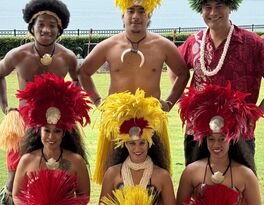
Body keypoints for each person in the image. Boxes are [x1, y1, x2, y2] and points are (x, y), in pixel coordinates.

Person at [168, 0, 264, 164]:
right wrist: (183, 101)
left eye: (219, 6)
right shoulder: (193, 41)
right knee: (197, 184)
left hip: (239, 134)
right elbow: (174, 68)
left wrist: (257, 112)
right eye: (207, 7)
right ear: (201, 9)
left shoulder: (252, 43)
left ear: (230, 7)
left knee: (239, 186)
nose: (212, 13)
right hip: (198, 133)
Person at [0, 0, 78, 202]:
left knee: (59, 166)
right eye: (41, 24)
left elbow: (78, 79)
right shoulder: (17, 55)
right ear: (31, 28)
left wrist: (72, 106)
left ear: (59, 30)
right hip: (25, 122)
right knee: (16, 173)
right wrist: (6, 106)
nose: (46, 30)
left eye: (52, 25)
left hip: (56, 122)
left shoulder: (67, 57)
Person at [78, 0, 190, 111]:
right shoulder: (108, 46)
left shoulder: (163, 46)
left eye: (142, 12)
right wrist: (97, 101)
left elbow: (183, 73)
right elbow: (83, 72)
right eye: (130, 11)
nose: (136, 16)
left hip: (151, 118)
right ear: (123, 15)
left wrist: (169, 103)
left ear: (149, 16)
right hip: (116, 117)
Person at [176, 83, 263, 205]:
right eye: (211, 139)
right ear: (204, 140)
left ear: (231, 139)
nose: (216, 145)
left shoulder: (246, 175)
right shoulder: (190, 172)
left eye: (222, 139)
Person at [12, 73, 91, 205]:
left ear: (64, 132)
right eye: (46, 130)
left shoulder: (76, 161)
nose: (51, 137)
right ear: (38, 131)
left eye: (57, 131)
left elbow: (84, 197)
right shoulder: (27, 160)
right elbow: (17, 194)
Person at [98, 89, 176, 205]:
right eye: (132, 143)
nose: (137, 149)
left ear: (150, 142)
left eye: (142, 143)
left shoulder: (162, 176)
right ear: (124, 143)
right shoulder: (112, 173)